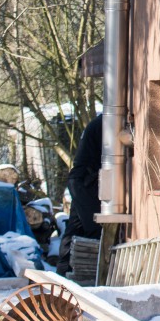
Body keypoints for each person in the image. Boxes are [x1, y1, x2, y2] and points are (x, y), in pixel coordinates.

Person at [58, 113, 103, 274]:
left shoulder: (98, 122)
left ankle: (63, 274)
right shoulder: (106, 123)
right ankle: (87, 275)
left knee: (75, 228)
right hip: (85, 181)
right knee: (94, 226)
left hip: (80, 180)